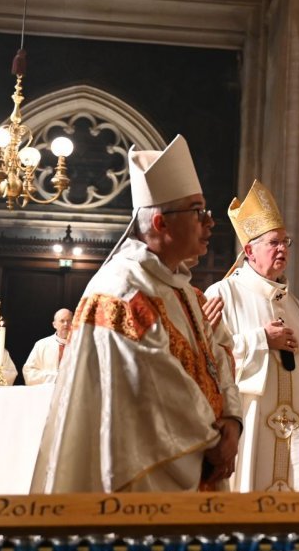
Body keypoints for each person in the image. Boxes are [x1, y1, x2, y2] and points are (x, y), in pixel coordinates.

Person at [32, 136, 242, 493]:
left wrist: (233, 422)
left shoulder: (181, 289)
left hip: (201, 454)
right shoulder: (121, 291)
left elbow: (215, 358)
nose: (210, 223)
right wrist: (213, 440)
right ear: (160, 223)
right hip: (151, 475)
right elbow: (153, 390)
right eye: (198, 211)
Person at [203, 179, 299, 492]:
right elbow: (209, 360)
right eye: (273, 243)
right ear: (249, 250)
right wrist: (262, 340)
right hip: (249, 426)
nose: (282, 249)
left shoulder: (296, 306)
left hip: (297, 428)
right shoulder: (223, 294)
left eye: (285, 242)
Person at [21, 308, 73, 385]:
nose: (66, 324)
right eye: (62, 321)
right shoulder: (41, 345)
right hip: (46, 393)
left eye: (69, 321)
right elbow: (29, 372)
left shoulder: (81, 346)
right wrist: (55, 377)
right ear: (54, 325)